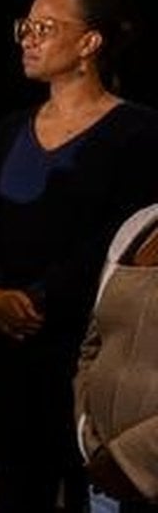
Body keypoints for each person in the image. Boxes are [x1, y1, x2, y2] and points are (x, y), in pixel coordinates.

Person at [0, 0, 158, 512]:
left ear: (90, 43)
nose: (28, 38)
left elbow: (121, 236)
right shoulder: (6, 131)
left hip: (84, 347)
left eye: (44, 28)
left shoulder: (137, 133)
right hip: (5, 343)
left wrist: (42, 298)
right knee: (17, 486)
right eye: (25, 27)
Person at [75, 203, 158, 513]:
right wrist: (88, 435)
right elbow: (93, 344)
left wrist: (131, 461)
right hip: (104, 477)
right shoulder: (139, 226)